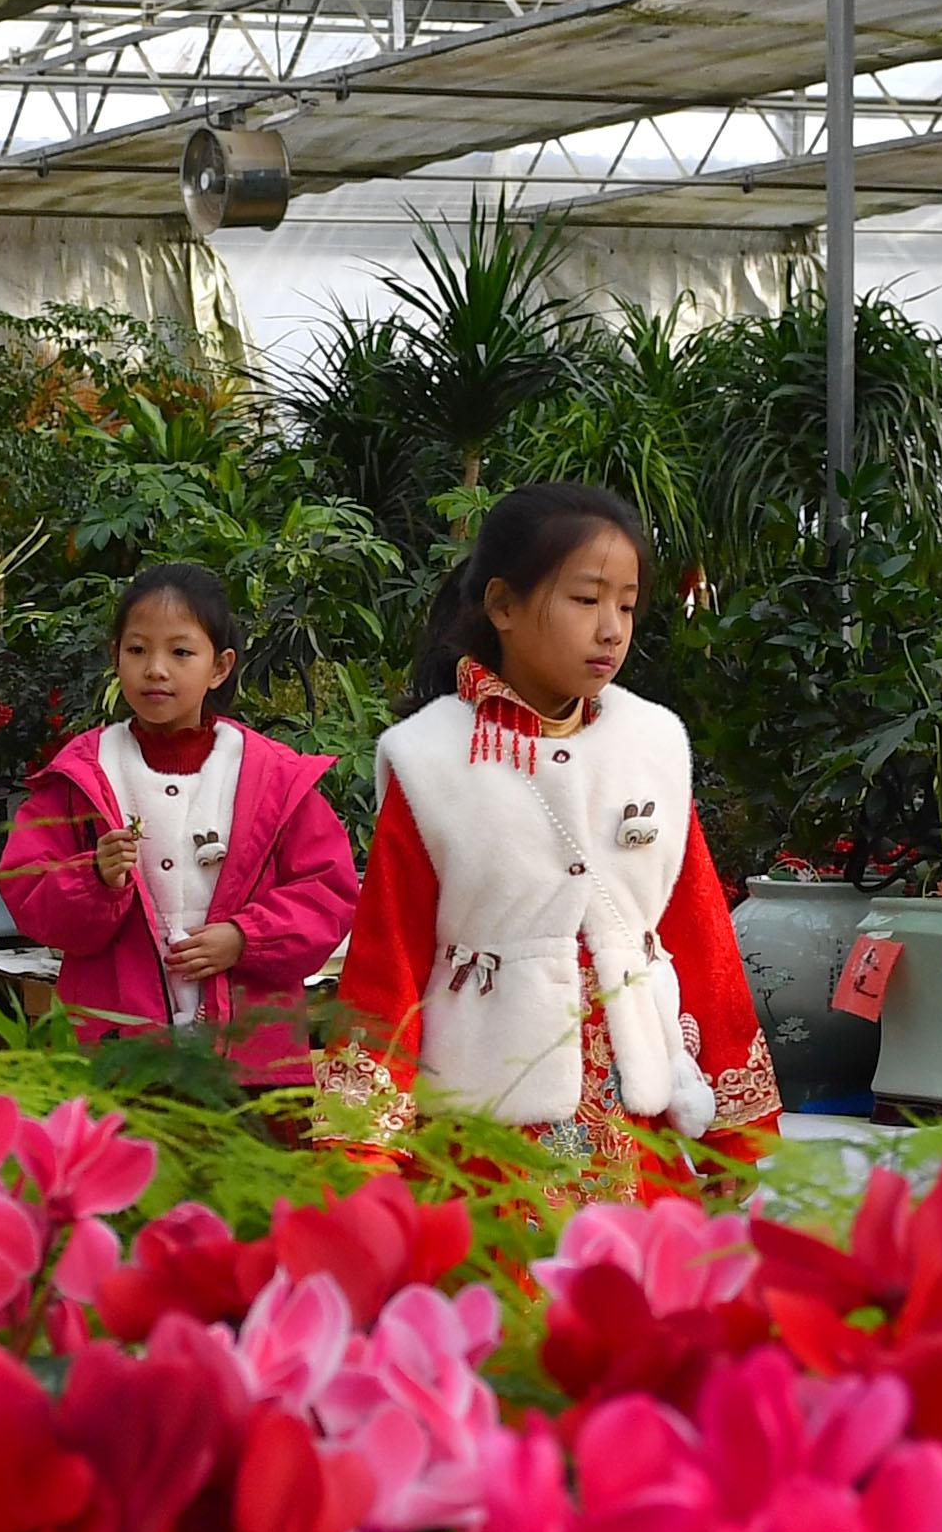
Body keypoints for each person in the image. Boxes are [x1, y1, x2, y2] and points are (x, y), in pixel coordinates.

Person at [323, 480, 776, 1180]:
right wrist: (363, 1150)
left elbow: (698, 932)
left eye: (626, 605)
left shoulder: (652, 746)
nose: (611, 629)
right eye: (586, 599)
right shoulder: (430, 761)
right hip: (485, 1135)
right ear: (503, 604)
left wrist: (738, 1132)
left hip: (639, 1125)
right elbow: (389, 962)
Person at [0, 563, 355, 1082]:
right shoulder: (83, 775)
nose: (156, 669)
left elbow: (326, 893)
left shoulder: (272, 776)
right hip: (116, 1052)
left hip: (251, 1060)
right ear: (115, 656)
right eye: (138, 650)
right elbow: (27, 887)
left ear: (219, 667)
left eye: (181, 652)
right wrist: (94, 877)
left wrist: (244, 937)